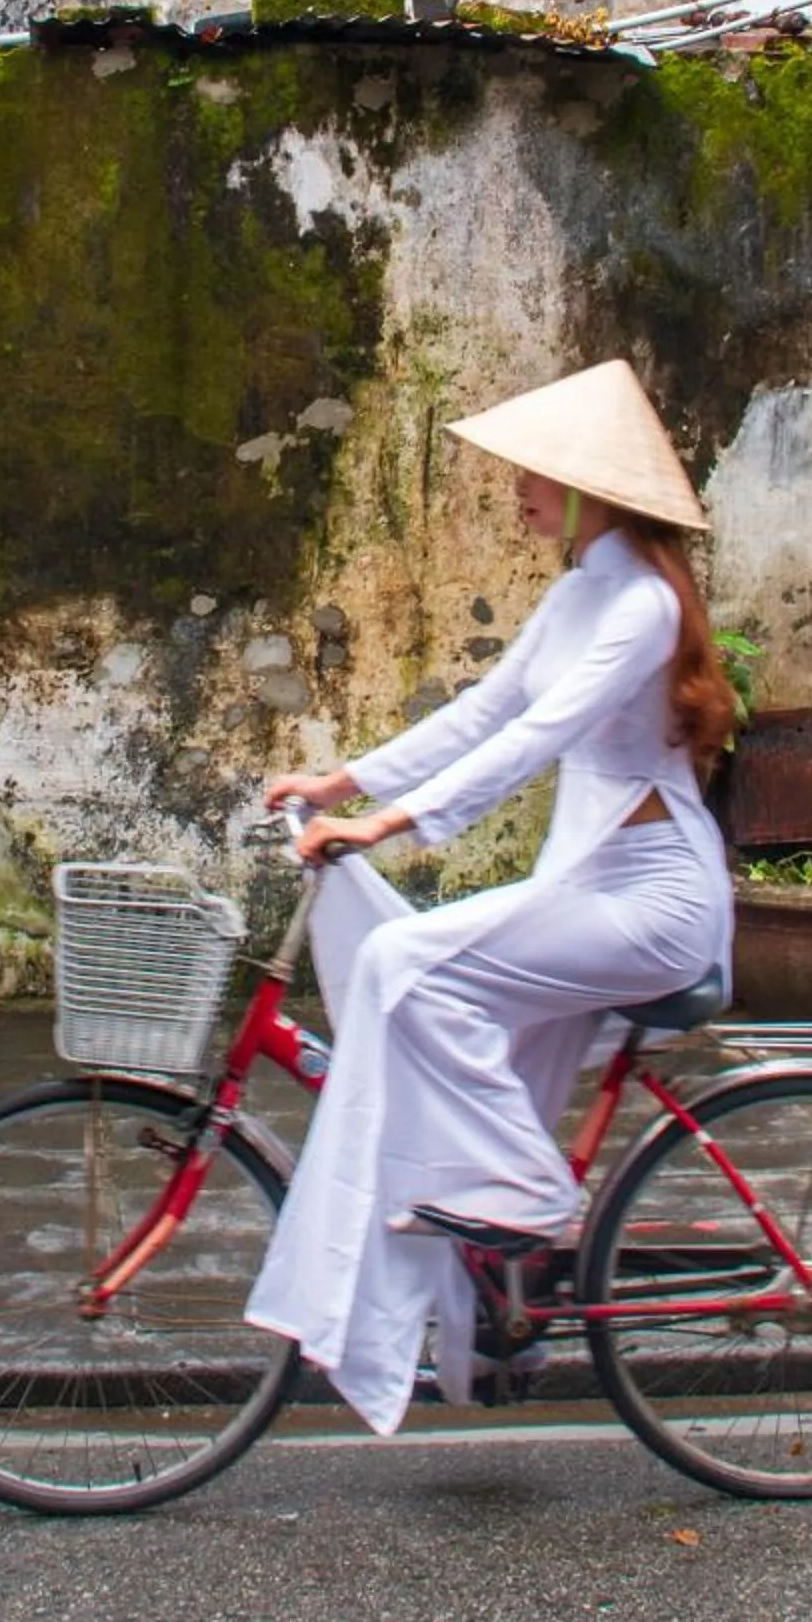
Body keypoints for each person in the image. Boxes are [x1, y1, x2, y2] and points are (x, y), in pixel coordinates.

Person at [241, 358, 736, 1434]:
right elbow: (485, 712)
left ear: (591, 488)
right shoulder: (579, 594)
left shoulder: (644, 607)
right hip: (592, 889)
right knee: (440, 1006)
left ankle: (536, 1197)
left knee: (404, 965)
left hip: (654, 905)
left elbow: (537, 738)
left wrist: (390, 826)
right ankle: (500, 1295)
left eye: (535, 472)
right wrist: (343, 783)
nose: (517, 488)